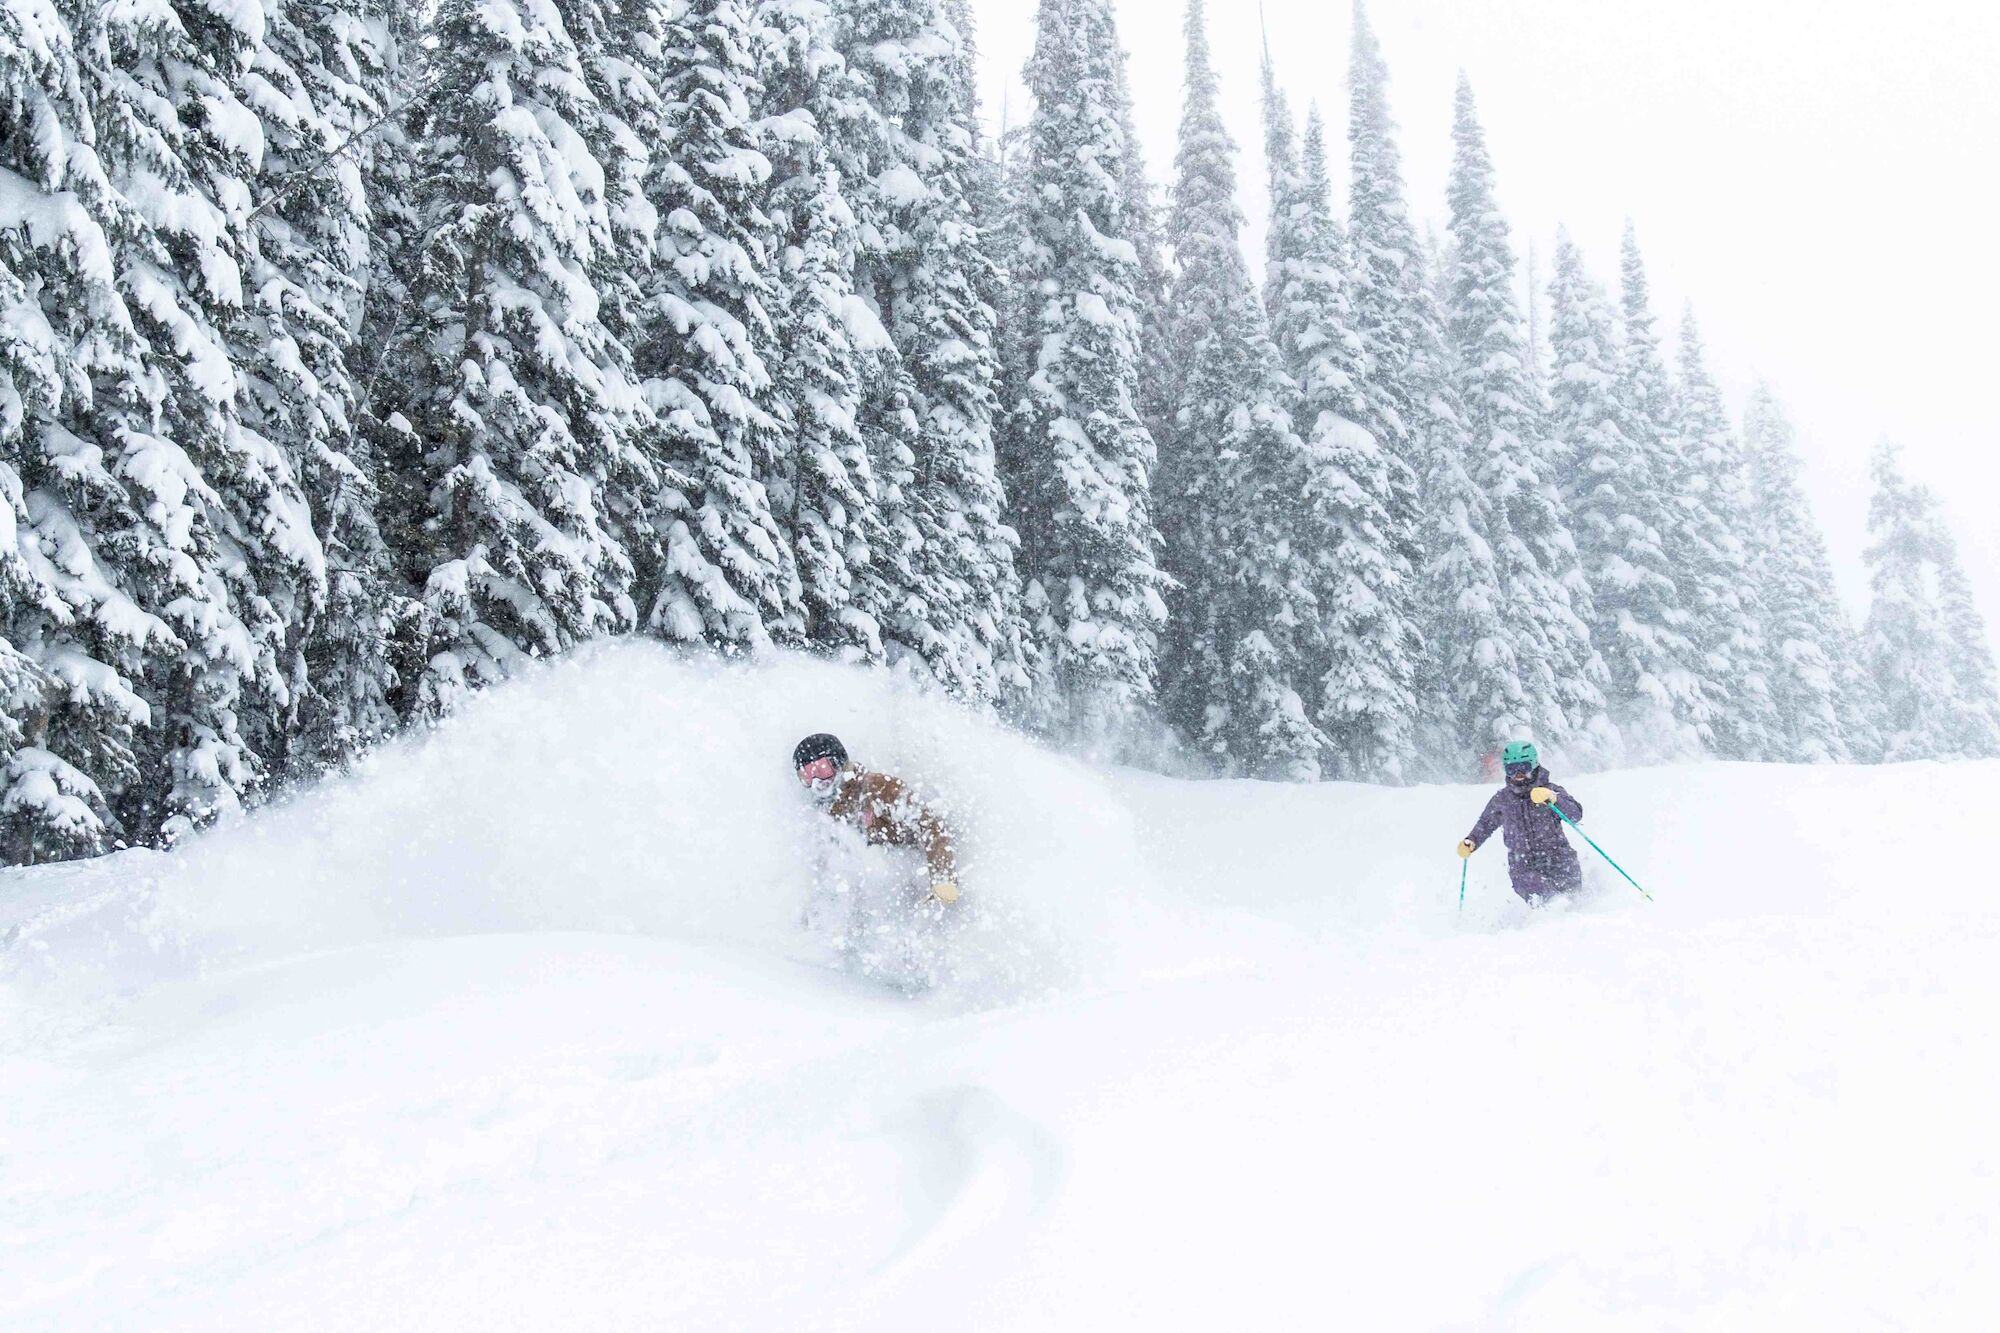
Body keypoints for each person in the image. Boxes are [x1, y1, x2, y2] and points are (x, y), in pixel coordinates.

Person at [792, 733, 959, 904]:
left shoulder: (878, 788)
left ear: (839, 763)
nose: (817, 781)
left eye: (822, 769)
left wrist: (943, 880)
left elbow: (931, 826)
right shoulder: (825, 813)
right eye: (807, 775)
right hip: (886, 896)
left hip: (921, 873)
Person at [1457, 740, 1585, 904]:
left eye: (1523, 767)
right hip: (1524, 868)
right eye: (1511, 769)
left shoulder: (1550, 790)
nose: (1518, 774)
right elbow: (1485, 824)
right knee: (1549, 902)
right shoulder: (1502, 800)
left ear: (1534, 765)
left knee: (1576, 904)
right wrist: (1471, 842)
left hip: (1560, 860)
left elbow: (1575, 814)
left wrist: (1554, 799)